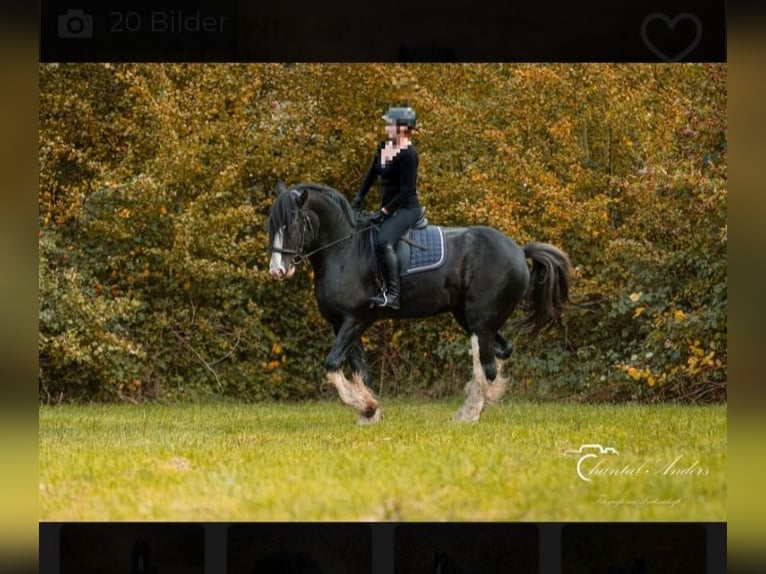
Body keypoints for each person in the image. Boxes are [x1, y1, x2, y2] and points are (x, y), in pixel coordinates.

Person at [351, 106, 423, 310]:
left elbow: (406, 191)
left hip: (406, 208)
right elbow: (371, 174)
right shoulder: (385, 147)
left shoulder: (409, 154)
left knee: (384, 241)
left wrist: (385, 212)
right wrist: (358, 199)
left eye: (391, 124)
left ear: (402, 128)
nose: (387, 127)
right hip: (389, 207)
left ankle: (393, 294)